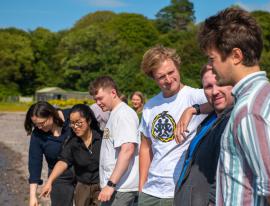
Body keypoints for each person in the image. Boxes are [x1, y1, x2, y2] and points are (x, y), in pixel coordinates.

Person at [199, 7, 270, 205]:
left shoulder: (249, 110)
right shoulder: (267, 95)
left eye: (212, 59)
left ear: (236, 56)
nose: (211, 66)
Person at [138, 45, 212, 205]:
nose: (168, 79)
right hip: (150, 192)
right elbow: (145, 147)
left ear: (178, 67)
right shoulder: (150, 106)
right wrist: (141, 187)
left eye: (171, 72)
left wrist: (192, 110)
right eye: (161, 77)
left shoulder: (196, 96)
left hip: (178, 190)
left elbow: (227, 101)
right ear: (153, 78)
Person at [174, 65, 234, 206]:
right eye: (208, 87)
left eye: (221, 84)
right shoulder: (212, 117)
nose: (215, 91)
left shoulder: (233, 121)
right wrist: (193, 110)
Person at [89, 75, 139, 206]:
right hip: (115, 187)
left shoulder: (124, 115)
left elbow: (128, 150)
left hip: (121, 188)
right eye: (95, 100)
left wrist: (110, 184)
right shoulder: (114, 113)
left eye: (100, 98)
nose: (98, 103)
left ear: (113, 93)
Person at [40, 104, 103, 206]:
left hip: (102, 186)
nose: (75, 127)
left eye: (79, 123)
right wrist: (49, 181)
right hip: (82, 187)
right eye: (72, 123)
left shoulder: (102, 138)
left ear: (89, 121)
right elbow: (62, 162)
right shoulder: (72, 143)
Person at [24, 101, 75, 206]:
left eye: (42, 123)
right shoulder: (38, 134)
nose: (39, 127)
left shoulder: (72, 117)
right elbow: (34, 163)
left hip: (84, 172)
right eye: (35, 124)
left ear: (51, 115)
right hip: (58, 176)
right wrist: (33, 196)